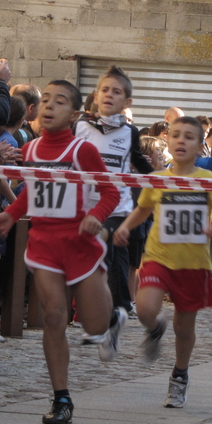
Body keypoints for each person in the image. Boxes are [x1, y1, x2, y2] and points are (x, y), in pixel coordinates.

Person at [0, 80, 126, 424]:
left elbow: (110, 193)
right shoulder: (32, 149)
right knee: (53, 317)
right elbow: (33, 192)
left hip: (80, 245)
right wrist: (13, 213)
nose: (49, 106)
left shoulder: (83, 151)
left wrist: (96, 217)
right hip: (45, 244)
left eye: (60, 102)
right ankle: (61, 397)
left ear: (75, 114)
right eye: (46, 99)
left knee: (93, 325)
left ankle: (111, 321)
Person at [113, 117, 212, 408]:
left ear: (200, 144)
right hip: (158, 256)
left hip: (193, 263)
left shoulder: (210, 181)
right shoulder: (158, 178)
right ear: (167, 141)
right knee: (145, 308)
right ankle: (155, 327)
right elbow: (143, 209)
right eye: (176, 135)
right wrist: (126, 226)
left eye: (189, 137)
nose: (181, 141)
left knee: (184, 327)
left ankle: (180, 375)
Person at [74, 65, 154, 318]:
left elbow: (139, 161)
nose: (109, 95)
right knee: (107, 258)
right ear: (96, 96)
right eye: (104, 90)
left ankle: (115, 309)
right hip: (87, 204)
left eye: (116, 92)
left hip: (117, 204)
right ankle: (112, 308)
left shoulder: (129, 131)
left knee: (111, 254)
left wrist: (159, 180)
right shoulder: (80, 127)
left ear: (126, 101)